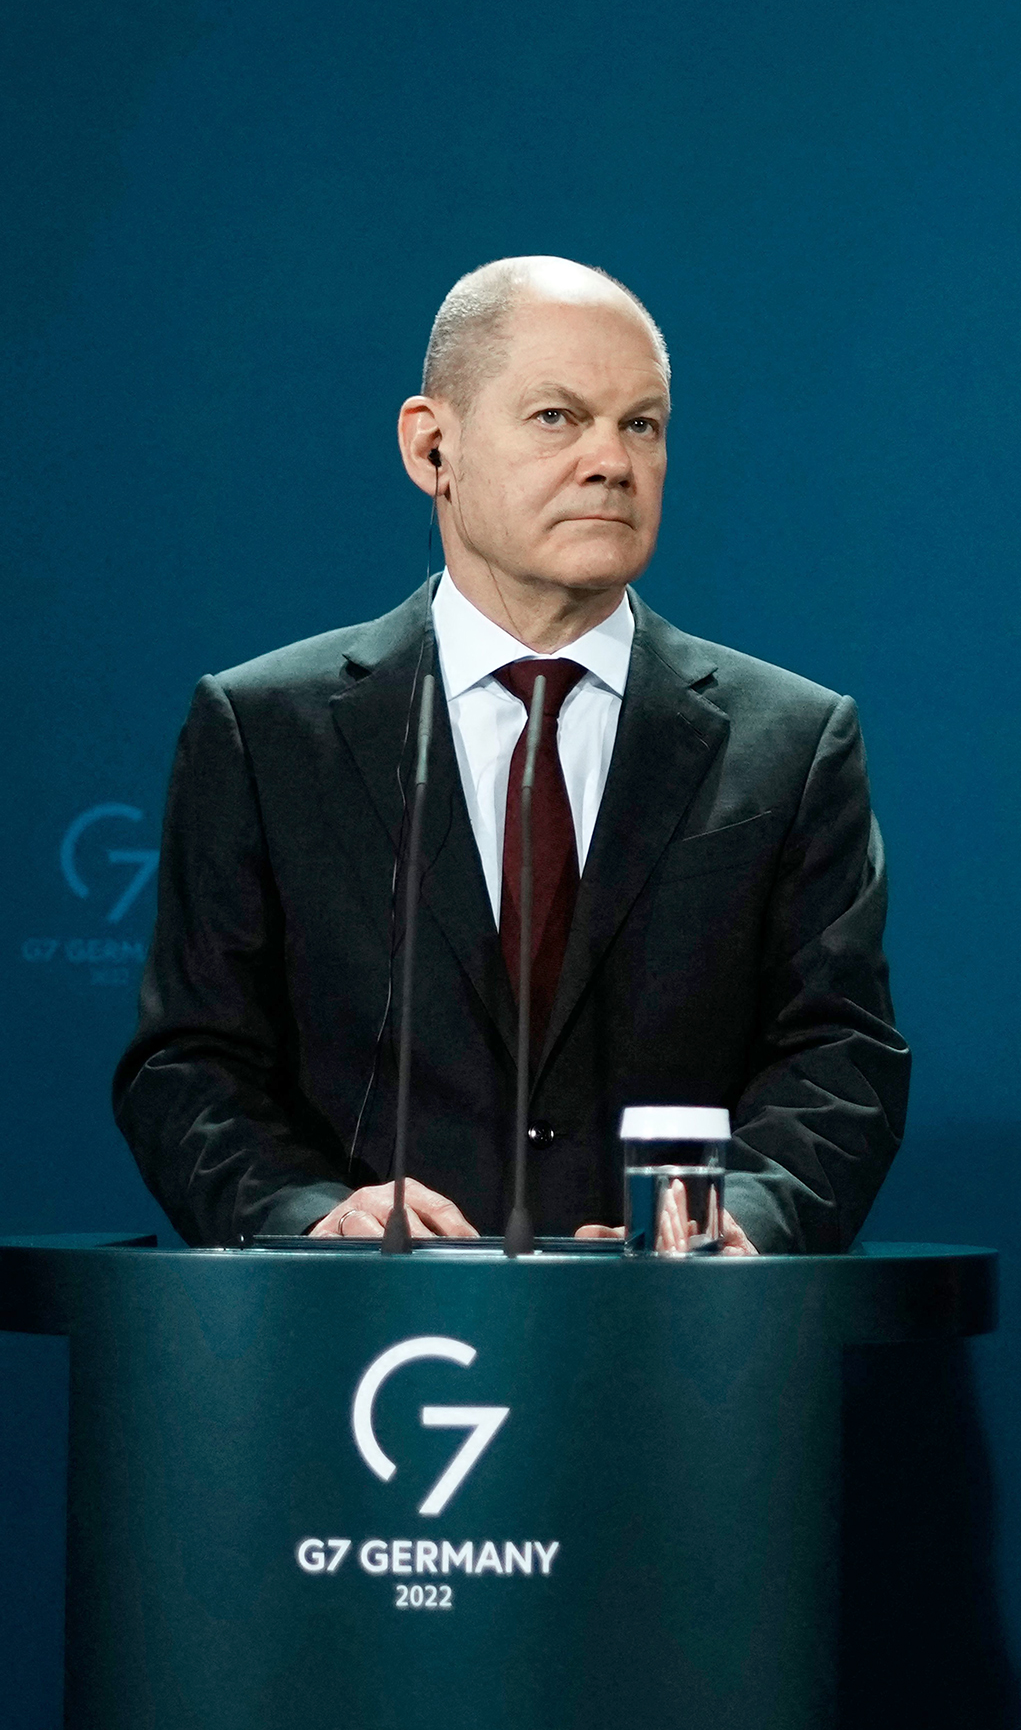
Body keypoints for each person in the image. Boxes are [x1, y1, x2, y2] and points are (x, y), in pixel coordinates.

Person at [114, 257, 907, 1253]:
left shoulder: (789, 741)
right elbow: (191, 1061)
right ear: (431, 445)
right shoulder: (268, 729)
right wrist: (305, 1214)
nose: (611, 461)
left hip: (675, 1353)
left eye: (642, 424)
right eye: (558, 417)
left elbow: (840, 1053)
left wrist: (735, 1216)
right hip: (355, 1344)